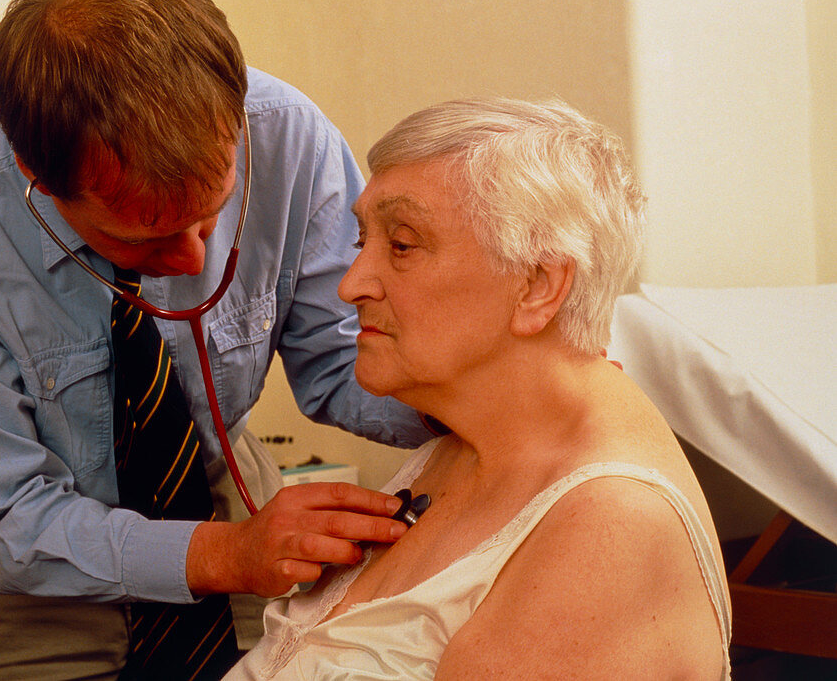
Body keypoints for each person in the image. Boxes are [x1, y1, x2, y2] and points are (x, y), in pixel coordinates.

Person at [0, 0, 433, 680]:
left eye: (210, 216)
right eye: (144, 237)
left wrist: (497, 389)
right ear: (37, 180)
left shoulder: (292, 139)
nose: (191, 259)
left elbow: (342, 360)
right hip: (14, 562)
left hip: (221, 492)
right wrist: (222, 553)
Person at [226, 98, 732, 680]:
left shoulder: (610, 527)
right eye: (362, 241)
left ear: (538, 284)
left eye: (403, 245)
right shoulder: (463, 446)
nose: (351, 285)